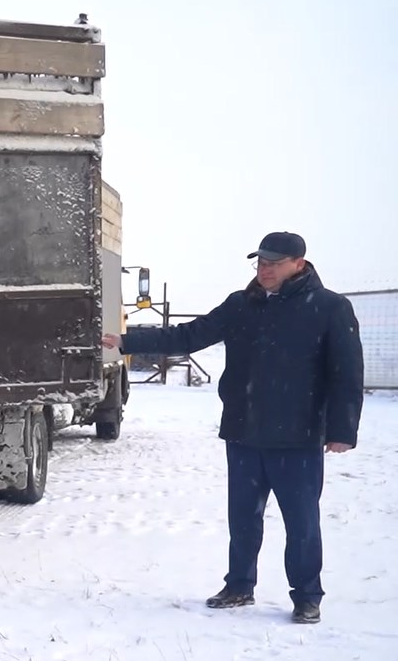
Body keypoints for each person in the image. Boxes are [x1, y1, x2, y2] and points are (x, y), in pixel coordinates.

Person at [102, 231, 364, 624]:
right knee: (243, 517)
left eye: (273, 263)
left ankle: (307, 595)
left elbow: (346, 372)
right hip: (243, 431)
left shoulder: (329, 307)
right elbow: (190, 334)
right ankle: (240, 585)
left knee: (302, 521)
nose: (265, 270)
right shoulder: (243, 304)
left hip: (298, 436)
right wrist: (126, 341)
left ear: (299, 263)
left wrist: (342, 429)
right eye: (260, 262)